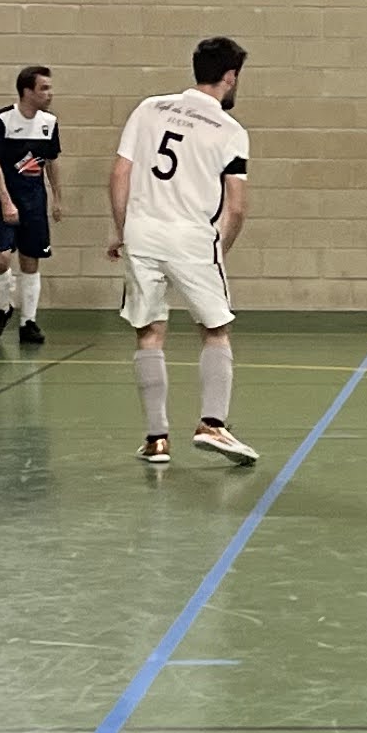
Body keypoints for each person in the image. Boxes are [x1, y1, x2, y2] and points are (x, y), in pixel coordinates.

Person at [112, 36, 257, 469]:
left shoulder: (149, 108)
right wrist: (219, 250)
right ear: (230, 77)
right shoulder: (230, 130)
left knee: (149, 331)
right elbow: (237, 207)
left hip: (142, 234)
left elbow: (119, 175)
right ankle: (212, 423)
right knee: (215, 329)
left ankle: (157, 439)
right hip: (192, 238)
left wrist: (124, 232)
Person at [0, 64, 62, 344]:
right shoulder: (1, 120)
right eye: (44, 88)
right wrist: (6, 202)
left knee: (31, 260)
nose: (49, 93)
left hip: (34, 201)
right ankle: (2, 308)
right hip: (2, 199)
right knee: (0, 258)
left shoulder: (49, 123)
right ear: (27, 91)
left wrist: (57, 198)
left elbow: (51, 162)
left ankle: (28, 322)